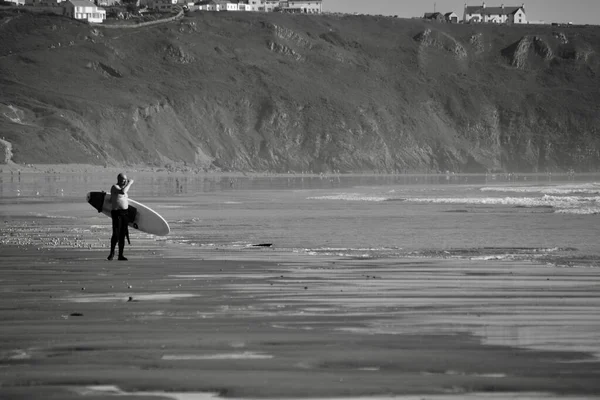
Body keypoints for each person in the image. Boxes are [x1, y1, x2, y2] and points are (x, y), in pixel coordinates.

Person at [108, 173, 134, 261]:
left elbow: (112, 199)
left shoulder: (123, 189)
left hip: (125, 213)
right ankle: (112, 253)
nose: (125, 181)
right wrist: (130, 183)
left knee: (123, 234)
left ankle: (120, 255)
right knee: (116, 234)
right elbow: (122, 192)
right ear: (118, 179)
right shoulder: (115, 187)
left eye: (126, 179)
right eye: (124, 179)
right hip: (117, 213)